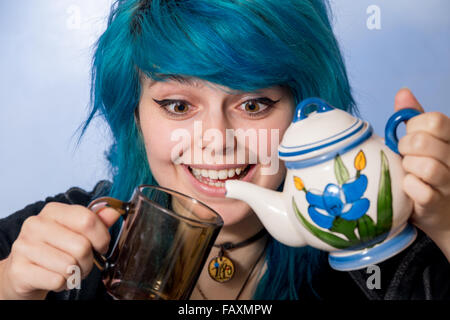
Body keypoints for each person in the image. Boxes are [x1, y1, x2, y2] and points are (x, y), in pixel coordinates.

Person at [0, 0, 449, 300]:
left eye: (254, 104)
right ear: (134, 116)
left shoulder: (385, 251)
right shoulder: (50, 240)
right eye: (177, 105)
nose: (216, 138)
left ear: (305, 110)